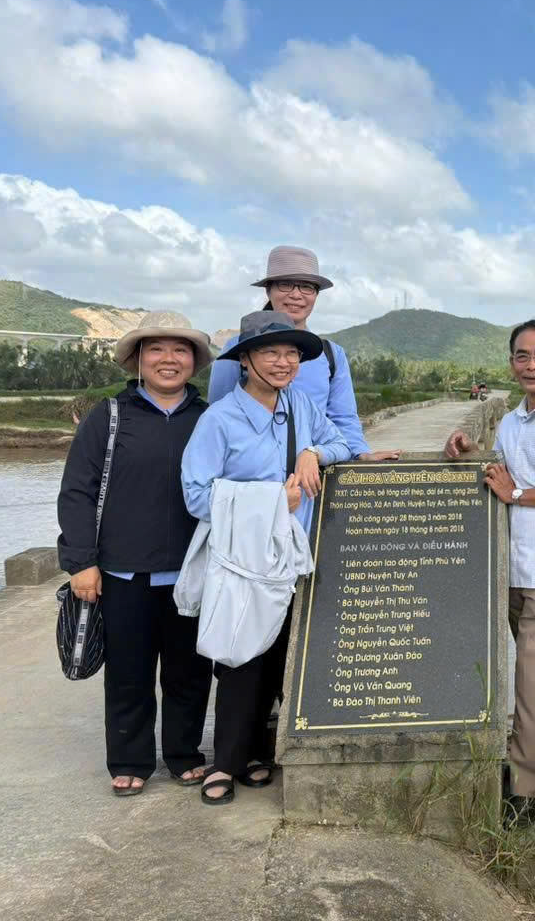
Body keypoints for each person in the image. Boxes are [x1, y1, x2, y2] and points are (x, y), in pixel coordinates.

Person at [182, 311, 352, 805]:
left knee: (284, 655)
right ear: (246, 360)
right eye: (271, 352)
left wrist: (313, 454)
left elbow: (340, 441)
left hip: (295, 556)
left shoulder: (300, 405)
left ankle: (259, 751)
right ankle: (226, 762)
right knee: (241, 658)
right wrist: (271, 499)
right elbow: (195, 495)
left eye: (292, 353)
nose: (284, 362)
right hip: (244, 557)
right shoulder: (220, 420)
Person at [57, 312, 215, 797]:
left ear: (193, 361)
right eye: (157, 350)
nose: (169, 359)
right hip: (123, 572)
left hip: (194, 570)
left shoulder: (210, 418)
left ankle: (185, 754)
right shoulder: (110, 417)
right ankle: (129, 760)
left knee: (190, 673)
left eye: (180, 350)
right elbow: (77, 492)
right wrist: (81, 561)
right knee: (129, 674)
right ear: (138, 360)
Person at [443, 320, 535, 827]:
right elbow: (503, 472)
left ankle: (528, 785)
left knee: (532, 674)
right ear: (511, 362)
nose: (531, 365)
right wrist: (467, 454)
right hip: (514, 563)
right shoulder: (510, 421)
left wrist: (521, 495)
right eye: (522, 356)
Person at [208, 244, 398, 462]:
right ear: (268, 290)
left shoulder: (331, 354)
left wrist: (360, 454)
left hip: (316, 475)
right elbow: (219, 416)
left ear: (316, 295)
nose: (296, 295)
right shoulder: (238, 348)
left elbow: (343, 418)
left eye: (307, 287)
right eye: (285, 284)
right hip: (251, 473)